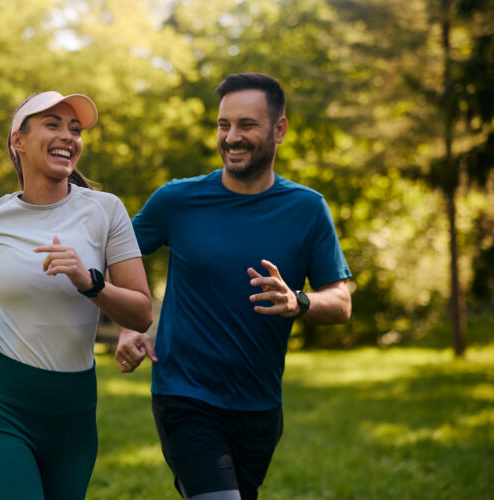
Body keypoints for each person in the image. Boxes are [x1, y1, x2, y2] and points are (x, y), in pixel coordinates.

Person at [115, 73, 352, 500]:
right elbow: (118, 259)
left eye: (247, 125)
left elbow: (340, 302)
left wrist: (298, 301)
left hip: (259, 406)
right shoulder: (177, 200)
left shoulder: (307, 209)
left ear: (279, 129)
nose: (232, 137)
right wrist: (130, 325)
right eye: (224, 125)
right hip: (184, 396)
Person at [0, 91, 153, 500]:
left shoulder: (106, 211)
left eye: (75, 129)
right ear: (18, 140)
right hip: (1, 412)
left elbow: (140, 314)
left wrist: (90, 282)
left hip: (74, 419)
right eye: (53, 124)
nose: (68, 136)